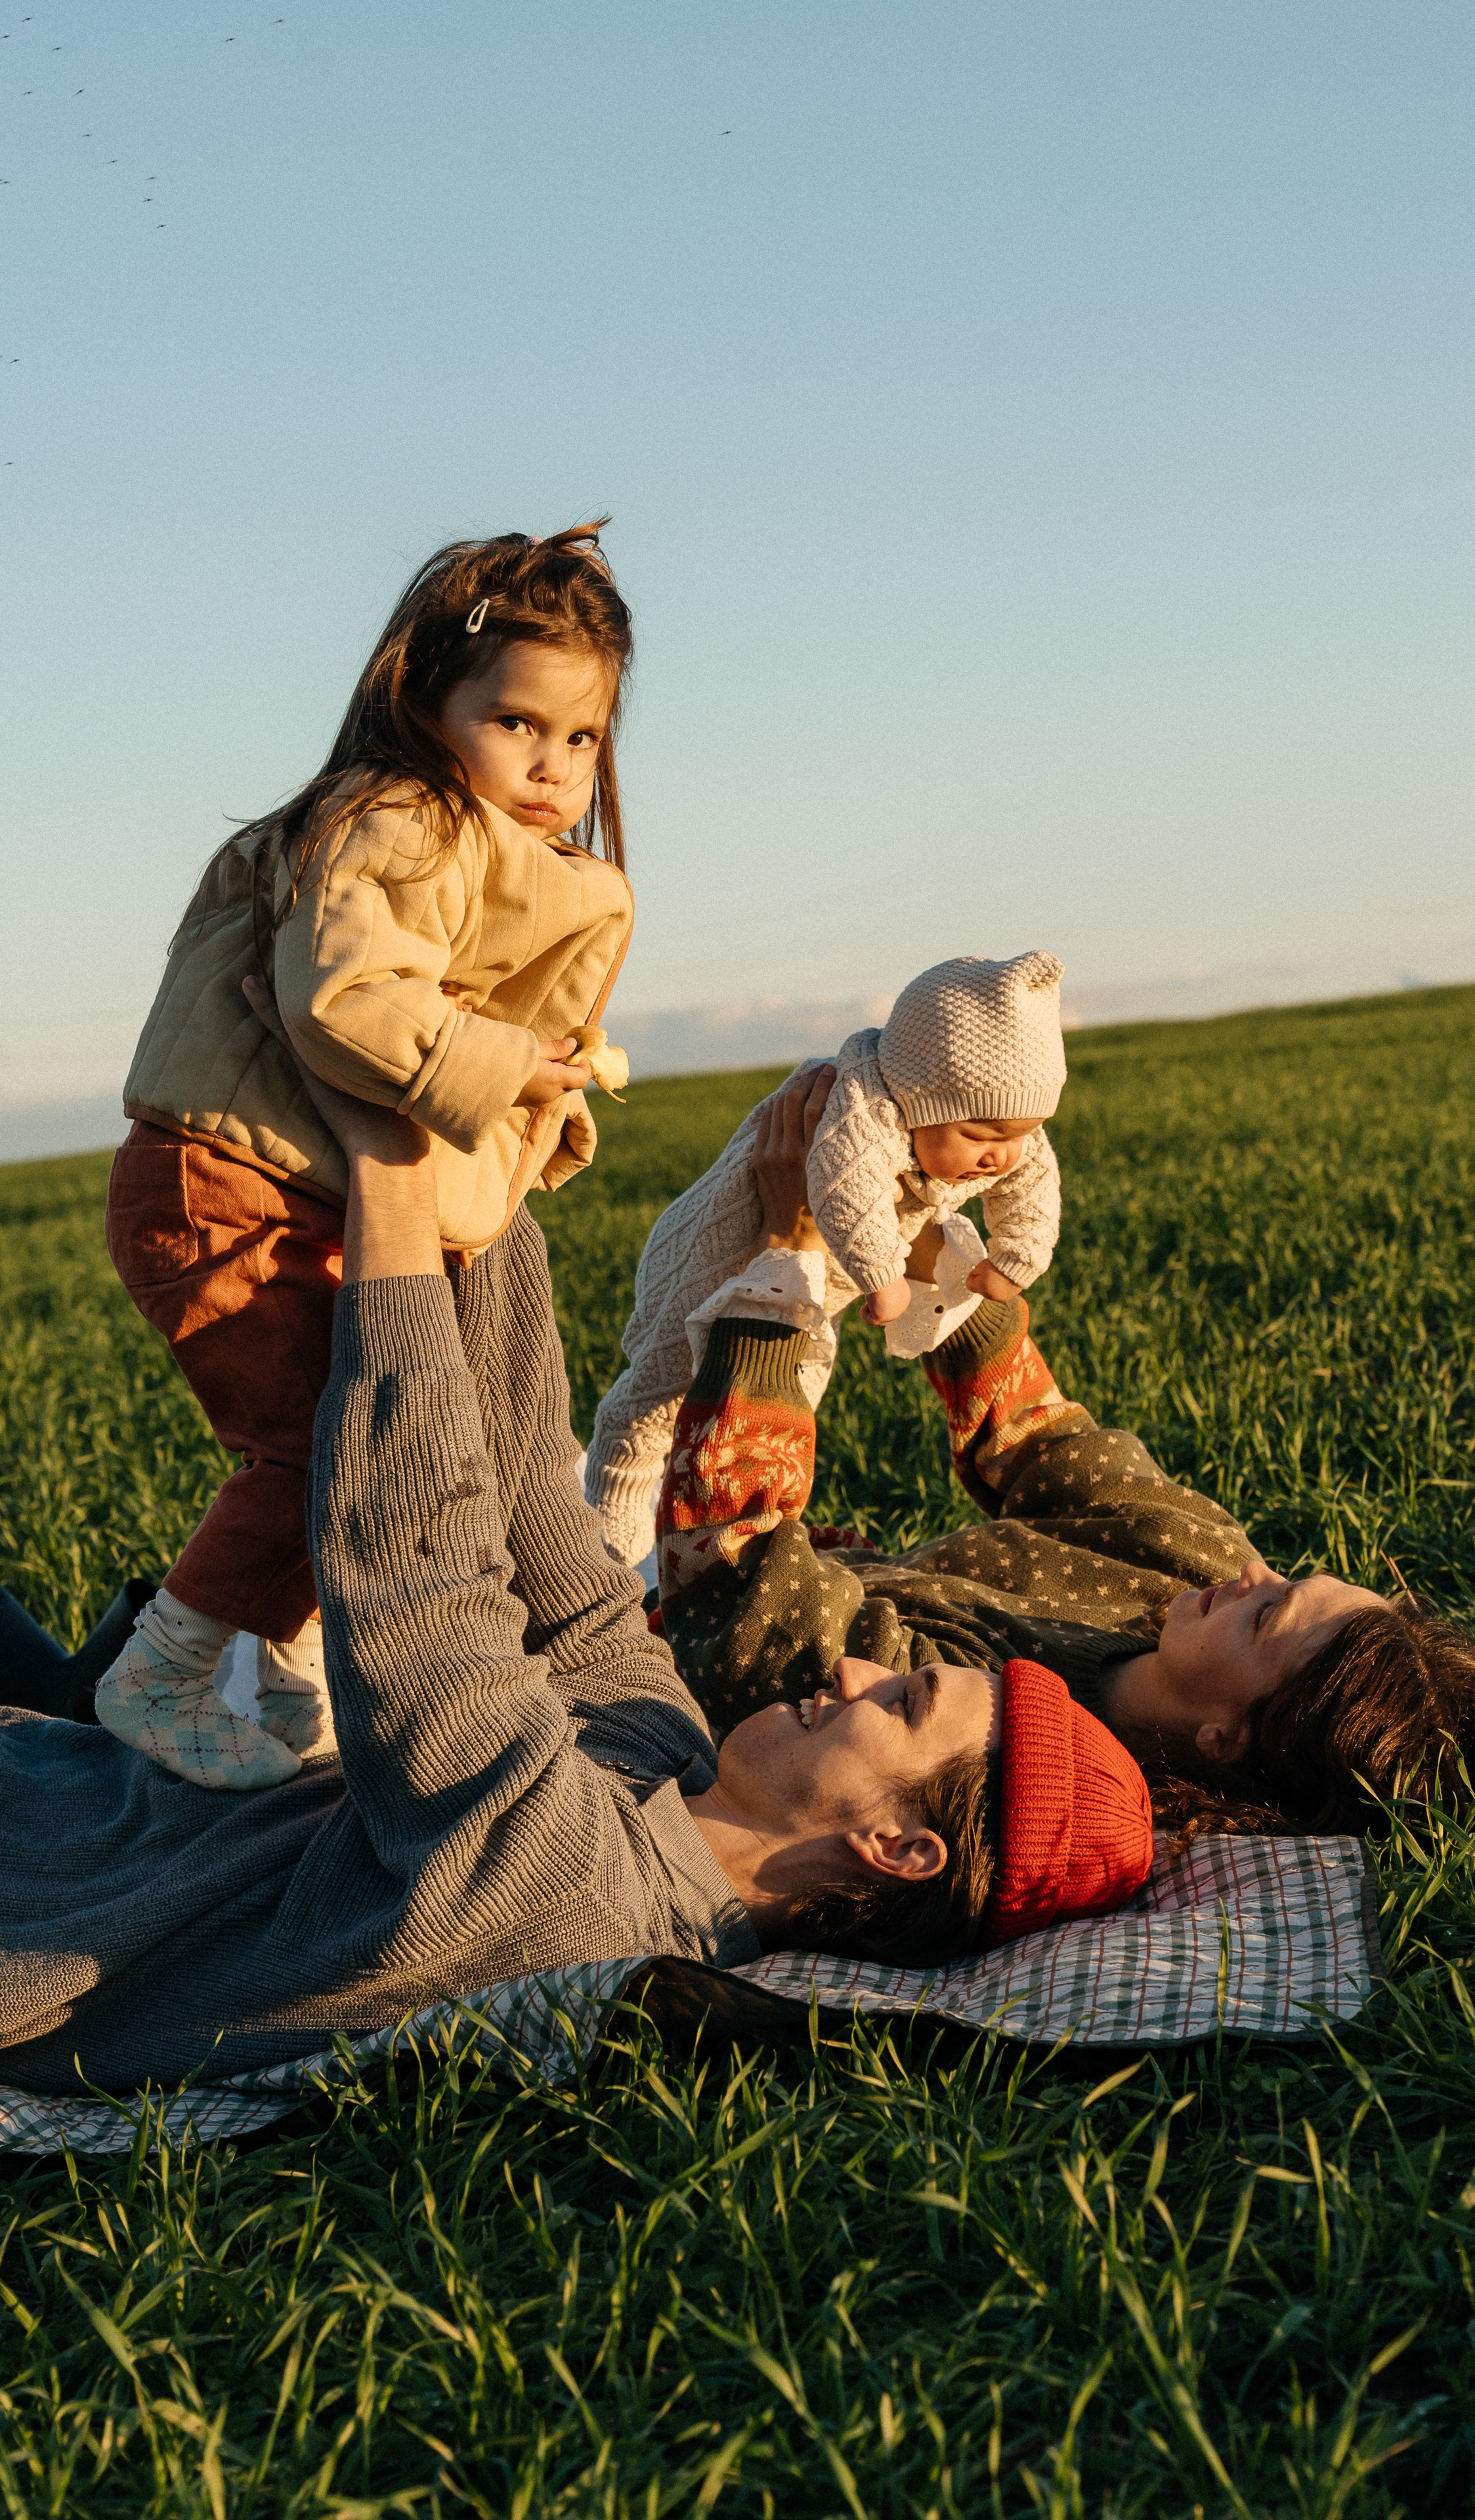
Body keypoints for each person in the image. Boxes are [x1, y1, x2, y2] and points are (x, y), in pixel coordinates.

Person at [0, 1068, 1145, 2099]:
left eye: (900, 1706)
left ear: (899, 1849)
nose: (852, 1669)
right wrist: (493, 1171)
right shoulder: (670, 1761)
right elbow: (545, 1535)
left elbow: (416, 1571)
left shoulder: (579, 1897)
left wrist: (397, 1185)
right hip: (57, 1765)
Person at [651, 1069, 1475, 1883]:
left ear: (1224, 1737)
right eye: (1289, 1576)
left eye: (1268, 1615)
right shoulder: (1195, 1560)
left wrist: (786, 1261)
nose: (1251, 1575)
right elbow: (1033, 1433)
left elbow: (734, 1565)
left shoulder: (954, 1742)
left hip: (652, 1605)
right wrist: (920, 1236)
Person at [100, 526, 637, 1791]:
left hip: (282, 1181)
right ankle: (161, 1670)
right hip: (223, 1182)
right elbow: (346, 999)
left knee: (359, 1432)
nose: (556, 766)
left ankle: (281, 1666)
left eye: (584, 739)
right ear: (422, 700)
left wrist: (541, 1086)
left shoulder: (479, 849)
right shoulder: (396, 822)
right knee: (320, 1446)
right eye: (518, 724)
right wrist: (504, 1067)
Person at [588, 950, 1065, 1569]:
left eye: (1018, 1133)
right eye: (980, 1136)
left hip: (816, 1287)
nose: (1002, 1155)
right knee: (652, 1407)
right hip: (724, 1259)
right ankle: (610, 1556)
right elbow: (847, 1189)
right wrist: (884, 1278)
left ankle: (730, 1535)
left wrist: (1016, 1258)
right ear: (919, 1100)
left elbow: (1034, 1181)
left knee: (792, 1393)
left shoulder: (1002, 1126)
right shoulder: (863, 1105)